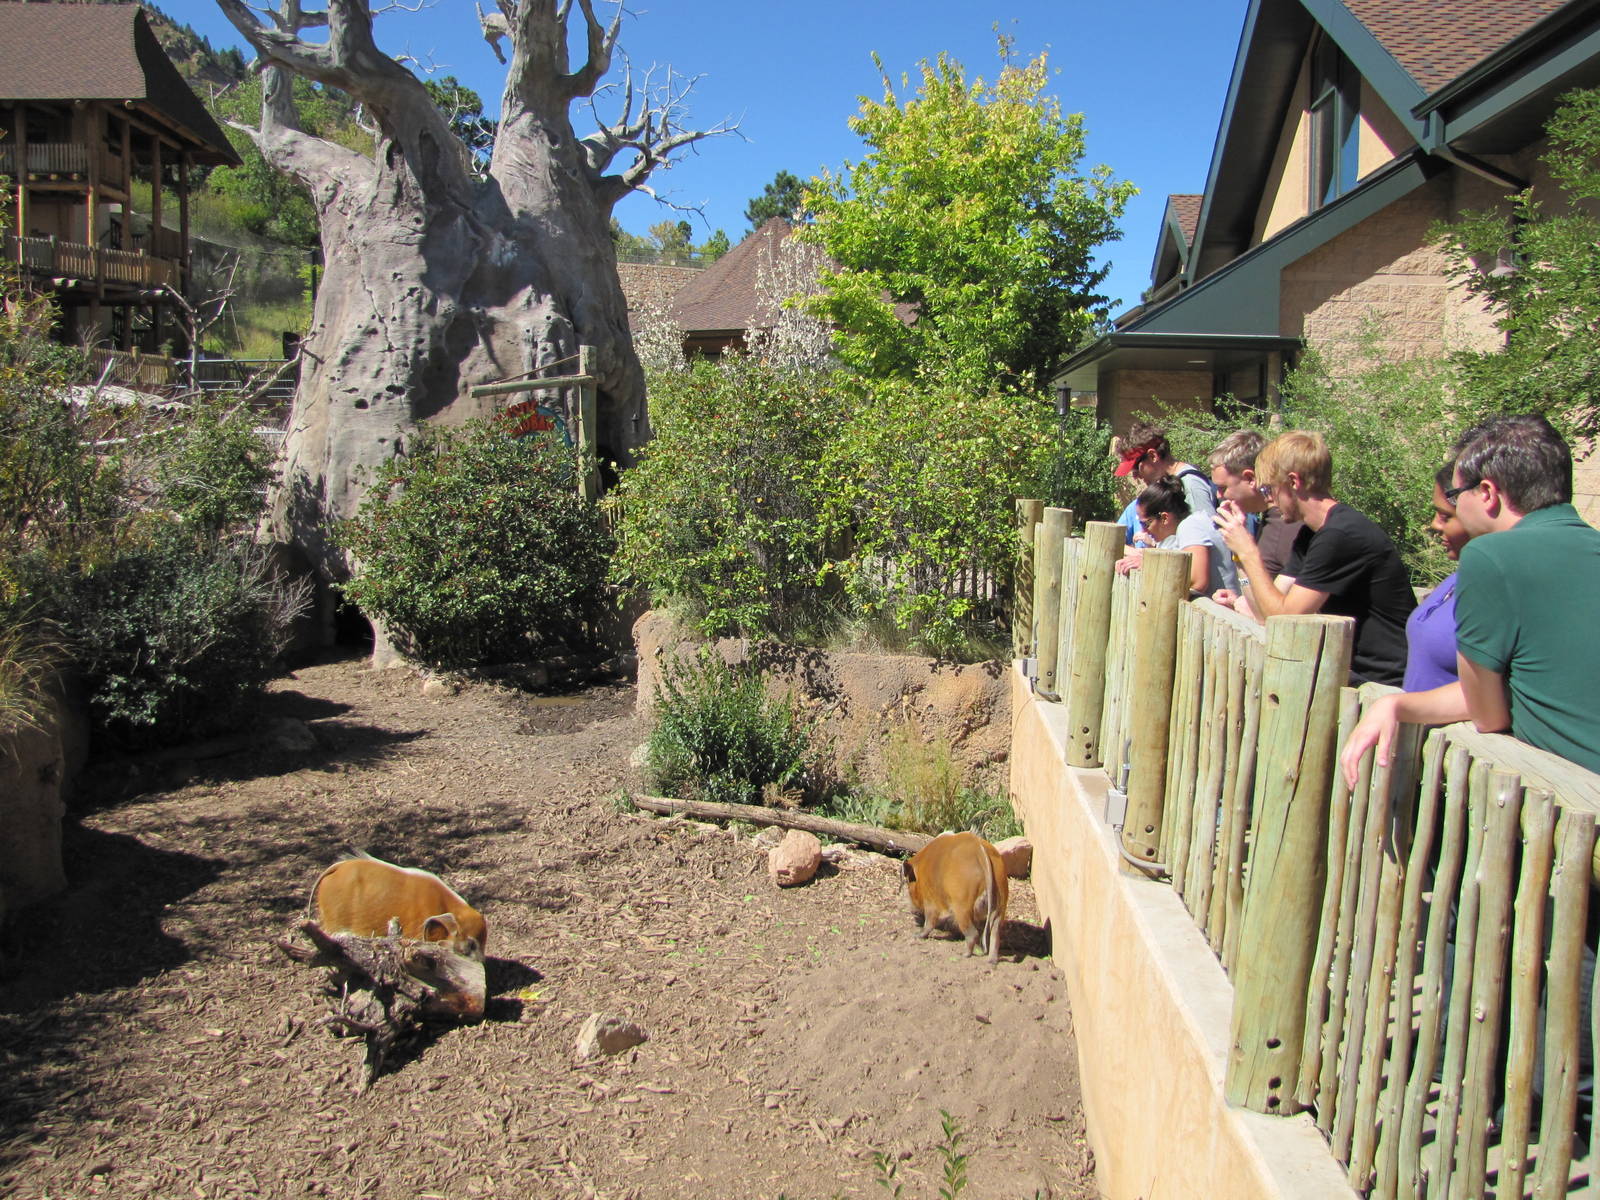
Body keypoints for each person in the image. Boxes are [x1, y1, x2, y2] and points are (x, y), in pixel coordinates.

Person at [1213, 429, 1415, 685]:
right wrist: (1240, 557)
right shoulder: (1312, 534)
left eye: (1270, 488)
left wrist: (1248, 552)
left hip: (1384, 683)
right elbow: (1266, 613)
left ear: (1294, 482)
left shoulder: (1341, 534)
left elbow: (1284, 618)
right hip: (1356, 675)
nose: (1269, 499)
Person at [1337, 464, 1471, 784]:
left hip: (1456, 771)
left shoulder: (1496, 589)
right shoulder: (1454, 579)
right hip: (1417, 763)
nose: (1433, 525)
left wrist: (1401, 705)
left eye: (1446, 516)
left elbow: (1490, 696)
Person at [1114, 476, 1238, 598]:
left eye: (1146, 523)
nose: (1143, 530)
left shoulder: (1190, 526)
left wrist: (1150, 566)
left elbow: (1198, 582)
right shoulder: (1185, 528)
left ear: (1164, 518)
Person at [1207, 430, 1302, 578]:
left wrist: (1244, 551)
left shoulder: (1286, 524)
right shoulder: (1269, 519)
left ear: (1250, 478)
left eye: (1223, 488)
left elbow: (1269, 601)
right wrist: (1239, 554)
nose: (1218, 495)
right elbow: (1252, 593)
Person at [1114, 422, 1217, 523]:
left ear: (1152, 456)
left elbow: (1207, 535)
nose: (1135, 476)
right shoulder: (1170, 486)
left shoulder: (1191, 485)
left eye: (1136, 468)